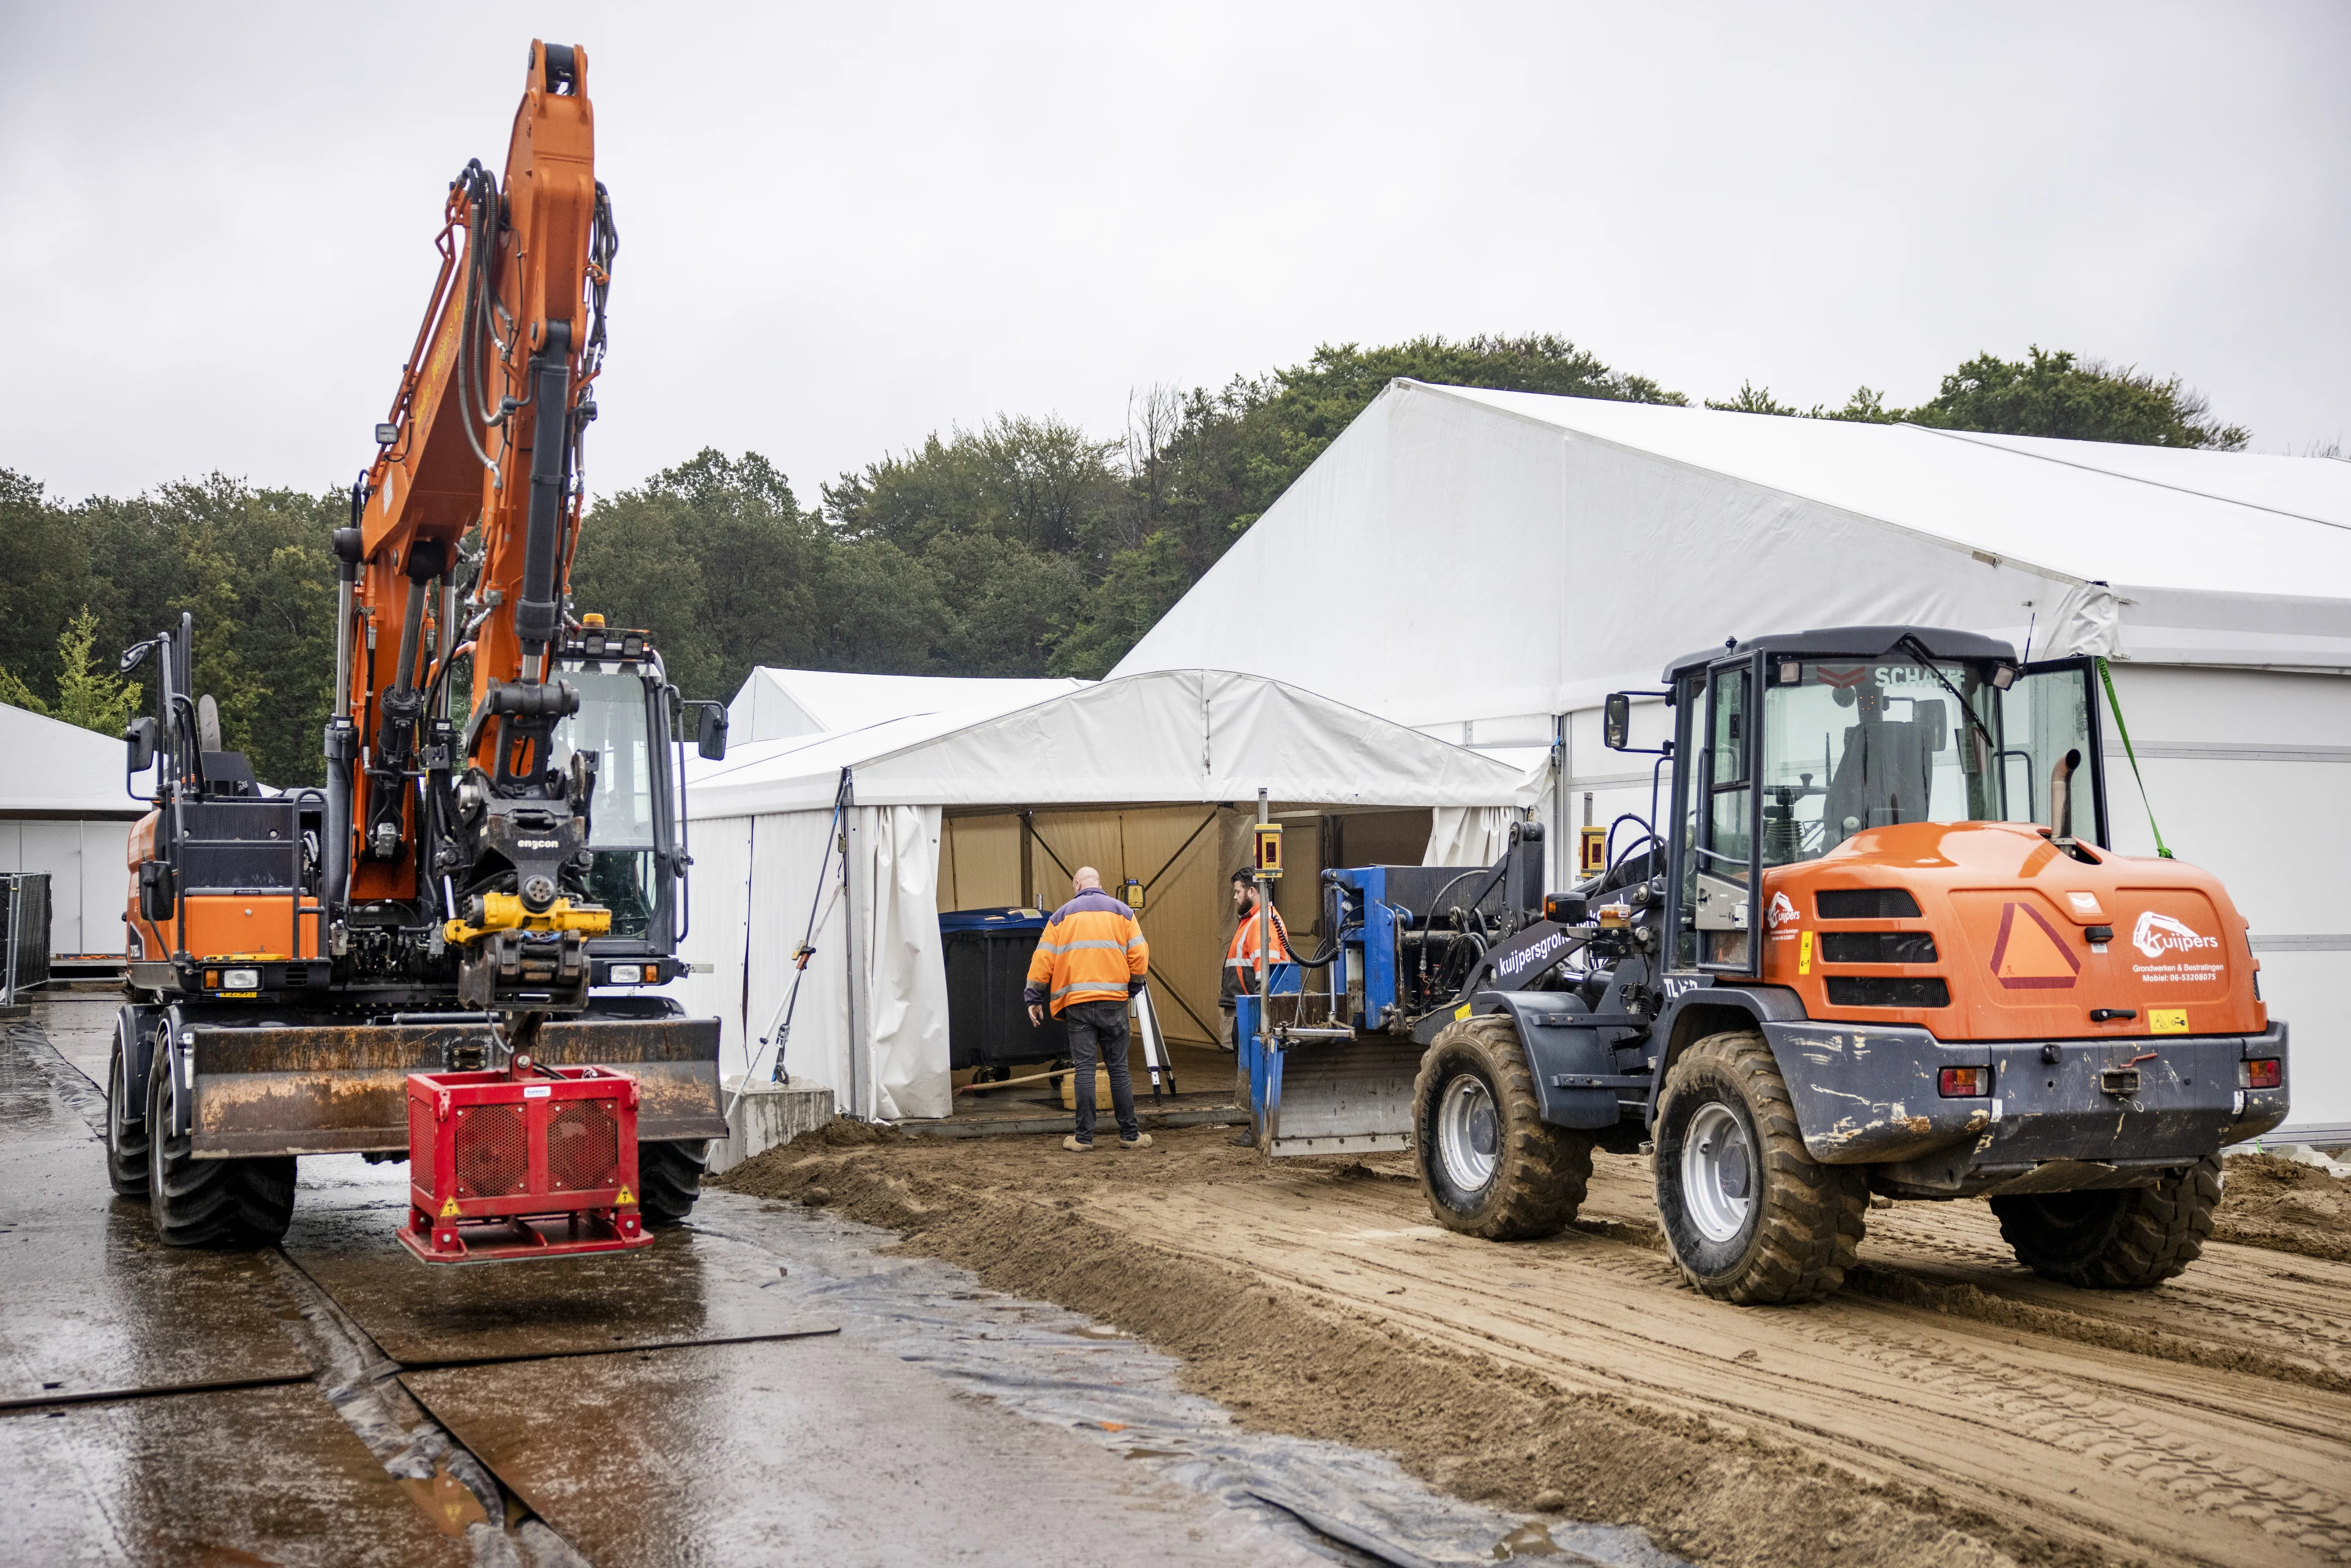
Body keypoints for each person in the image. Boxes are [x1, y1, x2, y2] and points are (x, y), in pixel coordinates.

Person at [1024, 866, 1153, 1152]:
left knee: (1084, 1070)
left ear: (1077, 884)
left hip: (1077, 1004)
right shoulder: (1123, 912)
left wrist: (1034, 997)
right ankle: (1130, 1136)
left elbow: (1043, 958)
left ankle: (1083, 1139)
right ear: (1100, 884)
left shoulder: (1061, 916)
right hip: (1113, 1002)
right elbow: (1139, 953)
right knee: (1119, 1070)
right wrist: (1133, 987)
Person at [1218, 868, 1292, 1048]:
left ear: (1252, 891)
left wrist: (1260, 1011)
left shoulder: (1260, 922)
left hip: (1253, 1011)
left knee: (1250, 1062)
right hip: (1249, 1008)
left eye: (1238, 892)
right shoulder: (1255, 919)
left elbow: (1267, 969)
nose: (1235, 897)